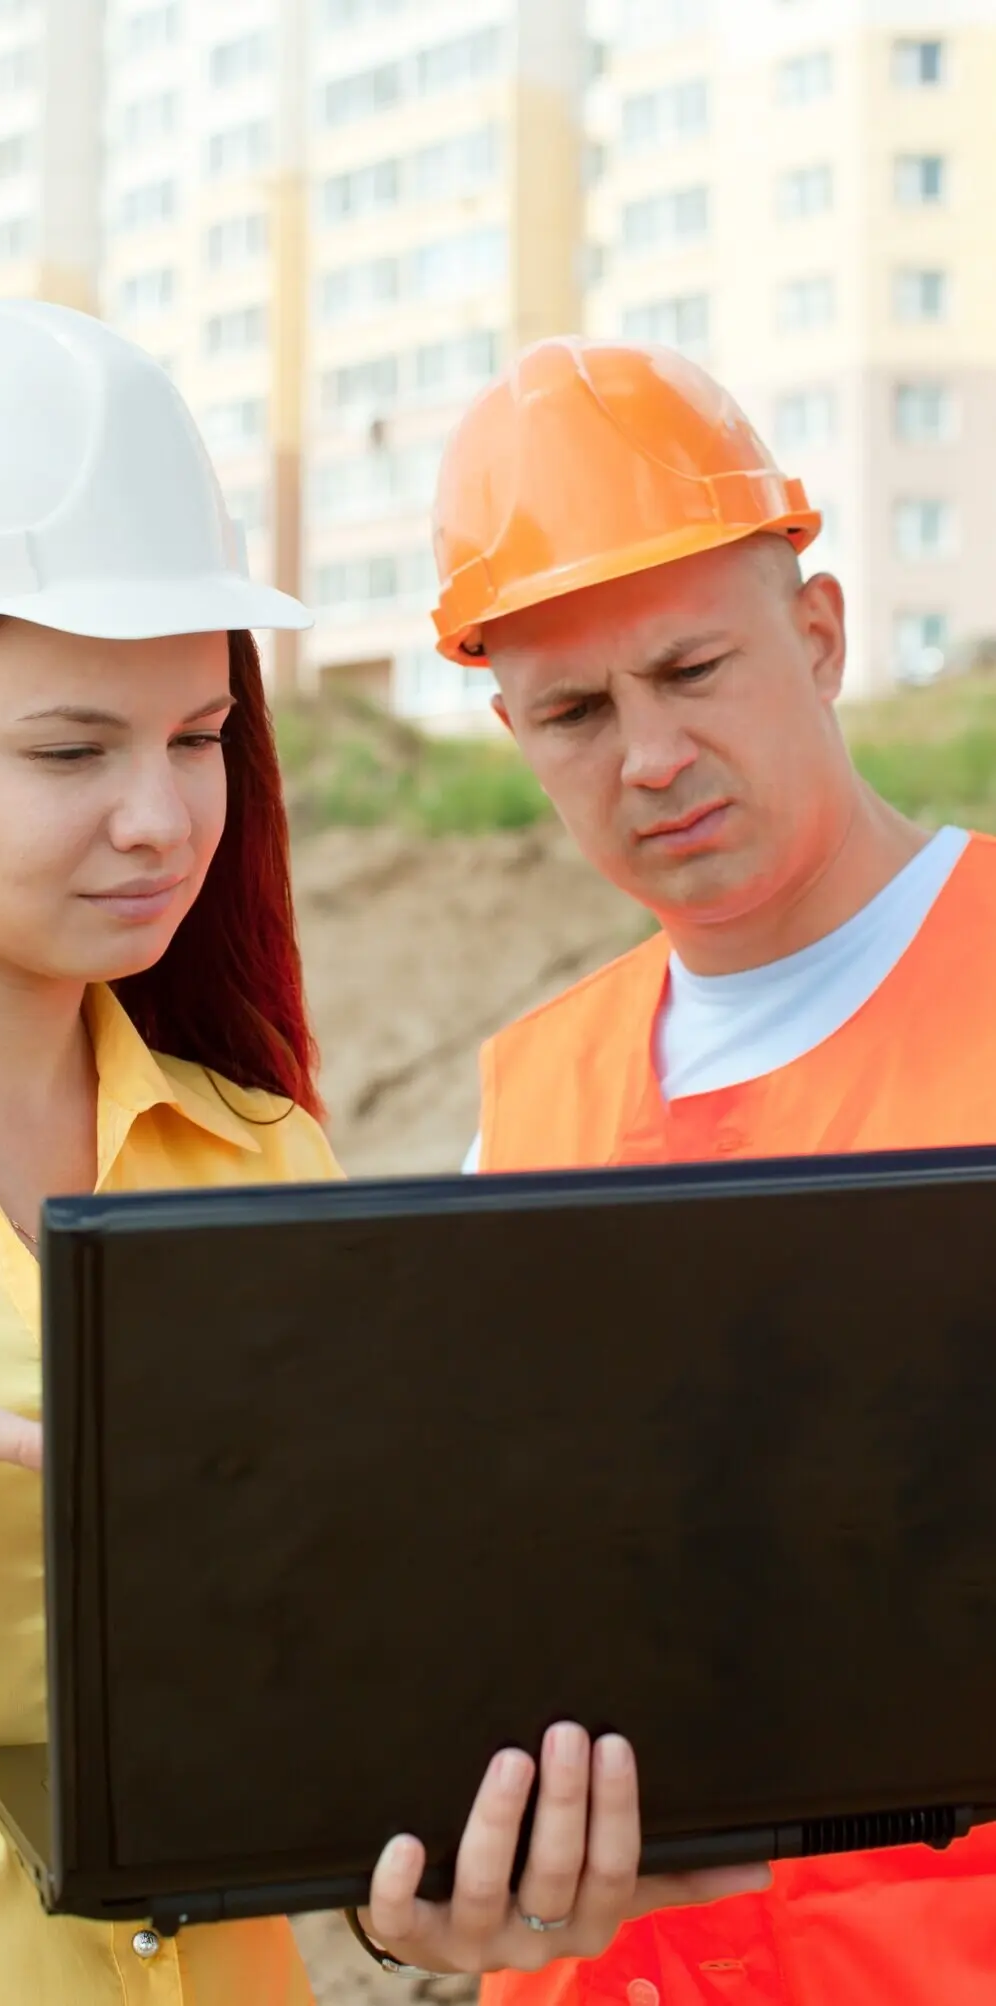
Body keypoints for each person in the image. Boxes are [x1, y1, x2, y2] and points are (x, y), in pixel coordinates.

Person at [0, 303, 761, 2006]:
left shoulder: (261, 1154)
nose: (160, 817)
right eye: (72, 748)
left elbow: (339, 1701)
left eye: (198, 737)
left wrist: (423, 1892)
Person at [432, 333, 996, 2005]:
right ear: (514, 729)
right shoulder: (523, 1101)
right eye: (578, 712)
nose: (650, 756)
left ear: (816, 637)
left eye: (692, 671)